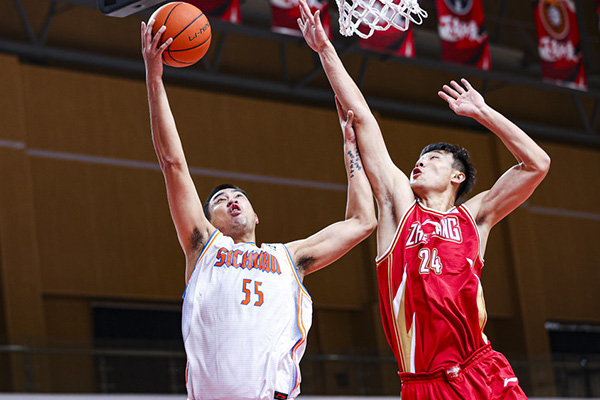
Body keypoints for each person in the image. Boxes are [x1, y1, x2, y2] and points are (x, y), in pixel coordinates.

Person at [297, 1, 551, 398]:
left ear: (457, 176)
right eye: (418, 158)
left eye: (433, 159)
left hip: (480, 370)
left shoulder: (474, 218)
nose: (420, 163)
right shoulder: (399, 210)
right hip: (423, 383)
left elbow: (537, 164)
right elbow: (363, 117)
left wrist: (483, 113)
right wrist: (325, 50)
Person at [140, 18, 376, 400]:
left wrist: (352, 150)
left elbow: (363, 221)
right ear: (208, 220)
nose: (231, 200)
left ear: (256, 215)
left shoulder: (289, 258)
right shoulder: (203, 246)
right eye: (220, 201)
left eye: (238, 196)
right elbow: (173, 163)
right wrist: (154, 77)